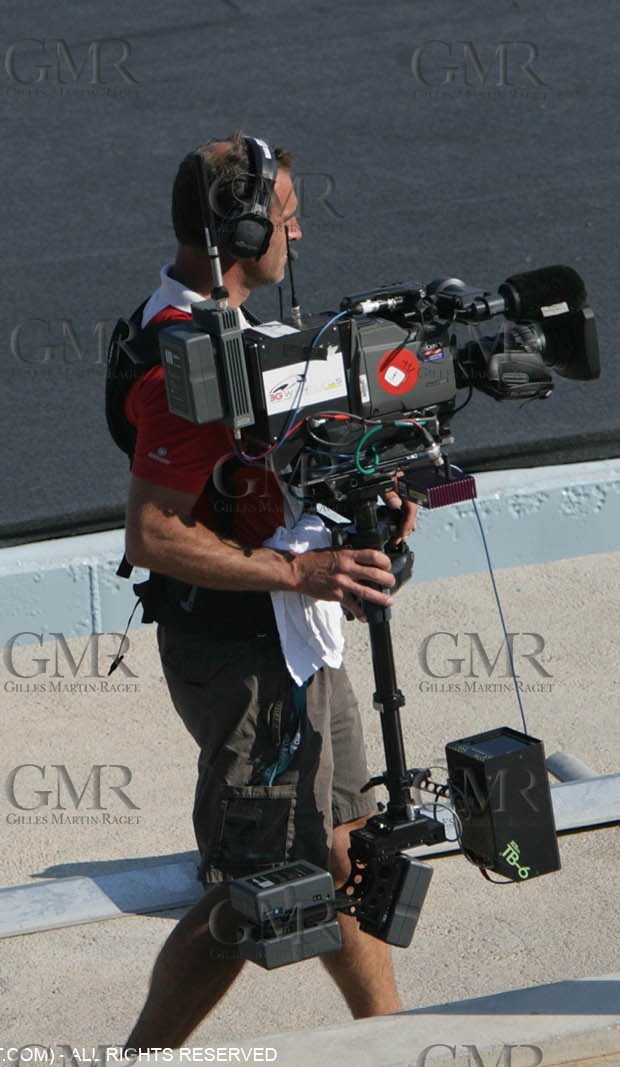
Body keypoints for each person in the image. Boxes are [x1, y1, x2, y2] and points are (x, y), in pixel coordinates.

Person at [110, 133, 418, 1051]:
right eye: (284, 216)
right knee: (253, 893)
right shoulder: (181, 362)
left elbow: (272, 479)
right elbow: (153, 533)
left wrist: (373, 507)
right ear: (240, 230)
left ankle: (394, 1043)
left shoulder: (241, 336)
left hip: (301, 633)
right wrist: (299, 569)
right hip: (241, 655)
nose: (298, 230)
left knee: (344, 853)